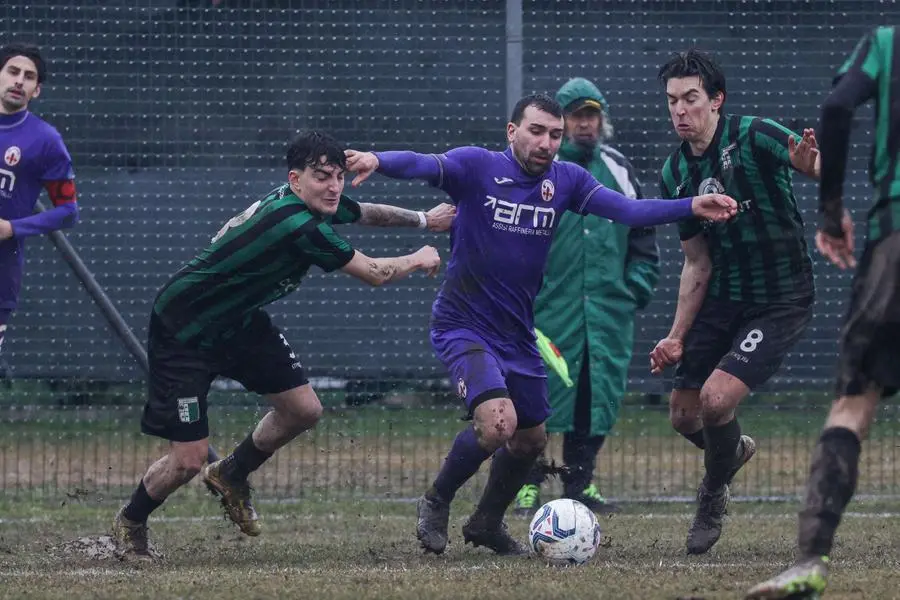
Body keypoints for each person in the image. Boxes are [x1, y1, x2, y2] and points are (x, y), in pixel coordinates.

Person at [345, 92, 738, 556]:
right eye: (536, 131)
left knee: (531, 439)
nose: (547, 142)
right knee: (498, 424)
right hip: (463, 324)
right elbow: (424, 164)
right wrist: (377, 159)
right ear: (513, 132)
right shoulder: (477, 167)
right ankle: (436, 501)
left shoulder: (567, 180)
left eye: (555, 134)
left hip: (517, 332)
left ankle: (487, 523)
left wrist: (691, 205)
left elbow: (628, 211)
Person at [112, 130, 453, 560]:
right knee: (188, 460)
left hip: (239, 323)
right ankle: (131, 520)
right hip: (186, 330)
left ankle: (233, 473)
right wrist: (418, 256)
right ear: (295, 179)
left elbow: (368, 212)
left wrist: (425, 219)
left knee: (304, 409)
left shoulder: (312, 204)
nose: (333, 187)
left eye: (338, 177)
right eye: (321, 177)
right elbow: (372, 272)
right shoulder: (297, 224)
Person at [649, 49, 822, 556]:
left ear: (716, 100)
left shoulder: (753, 133)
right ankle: (732, 453)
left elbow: (806, 160)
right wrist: (676, 336)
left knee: (716, 400)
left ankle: (711, 493)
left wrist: (812, 165)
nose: (681, 111)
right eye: (672, 102)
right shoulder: (674, 172)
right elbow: (697, 263)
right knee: (684, 416)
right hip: (724, 297)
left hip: (781, 298)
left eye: (691, 99)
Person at [746, 26, 898, 599]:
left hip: (894, 242)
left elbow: (837, 106)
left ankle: (810, 560)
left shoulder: (887, 42)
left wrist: (831, 212)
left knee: (854, 406)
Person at [513, 78, 659, 517]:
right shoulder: (537, 170)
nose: (585, 124)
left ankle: (580, 483)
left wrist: (633, 289)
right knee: (534, 398)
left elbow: (643, 239)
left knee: (595, 399)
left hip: (607, 313)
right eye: (576, 115)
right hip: (546, 310)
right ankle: (525, 483)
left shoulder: (618, 169)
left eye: (592, 115)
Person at [0, 43, 79, 360]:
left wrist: (12, 228)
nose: (19, 81)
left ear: (36, 90)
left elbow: (68, 212)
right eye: (13, 71)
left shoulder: (45, 141)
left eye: (29, 77)